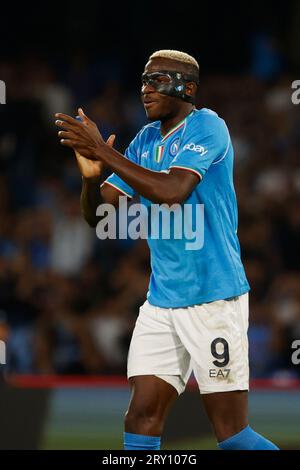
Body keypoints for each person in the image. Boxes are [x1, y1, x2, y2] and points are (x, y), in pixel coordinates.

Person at [55, 50, 279, 450]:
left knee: (232, 435)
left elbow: (173, 191)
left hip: (213, 298)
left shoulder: (208, 126)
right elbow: (98, 215)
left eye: (157, 80)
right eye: (143, 80)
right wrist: (92, 178)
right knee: (141, 416)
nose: (145, 90)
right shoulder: (144, 140)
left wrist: (104, 152)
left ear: (187, 88)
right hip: (161, 302)